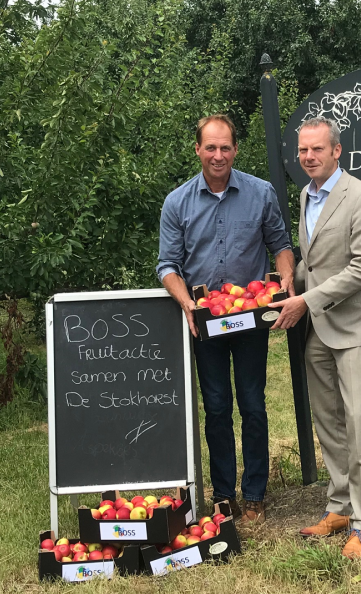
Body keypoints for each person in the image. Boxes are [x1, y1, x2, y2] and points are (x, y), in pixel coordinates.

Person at [157, 114, 295, 524]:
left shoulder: (261, 193)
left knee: (252, 403)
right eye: (210, 147)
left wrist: (285, 274)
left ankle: (254, 492)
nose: (218, 155)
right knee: (216, 407)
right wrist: (186, 304)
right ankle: (222, 493)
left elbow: (280, 244)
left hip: (250, 318)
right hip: (206, 322)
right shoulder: (177, 202)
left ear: (235, 150)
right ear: (198, 149)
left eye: (225, 147)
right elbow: (167, 266)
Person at [269, 116, 361, 558]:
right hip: (318, 327)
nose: (309, 157)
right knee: (329, 423)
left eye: (317, 149)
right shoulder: (305, 195)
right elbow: (314, 260)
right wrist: (282, 286)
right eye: (303, 151)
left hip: (356, 327)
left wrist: (306, 300)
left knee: (359, 425)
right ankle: (339, 506)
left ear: (337, 151)